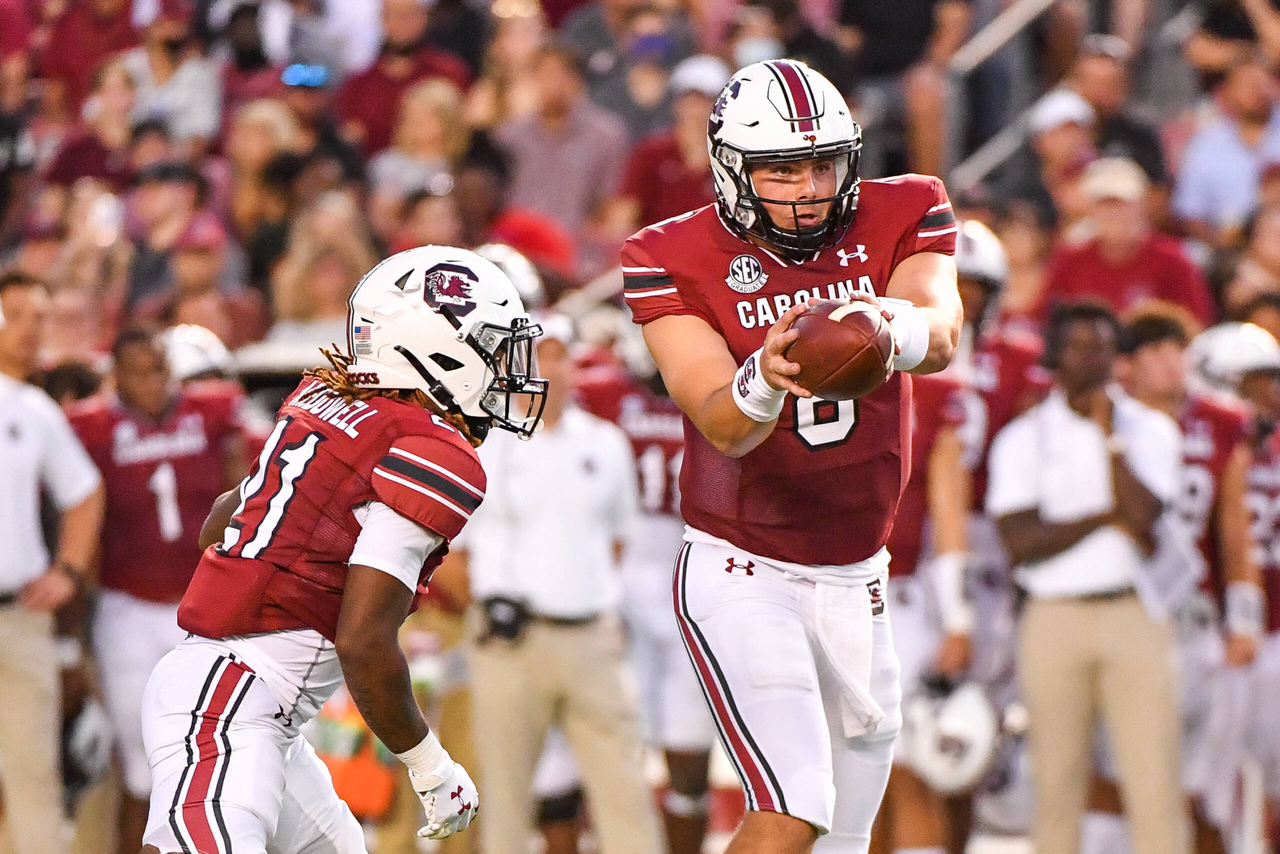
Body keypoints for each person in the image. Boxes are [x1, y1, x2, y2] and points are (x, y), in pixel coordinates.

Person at [625, 58, 962, 854]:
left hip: (860, 572)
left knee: (844, 840)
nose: (810, 187)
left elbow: (941, 332)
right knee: (792, 810)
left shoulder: (907, 207)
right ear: (732, 170)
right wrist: (762, 378)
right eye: (781, 169)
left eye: (823, 163)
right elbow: (721, 422)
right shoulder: (667, 253)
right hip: (745, 566)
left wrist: (882, 325)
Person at [138, 245, 548, 852]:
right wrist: (430, 763)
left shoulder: (335, 404)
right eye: (490, 349)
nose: (501, 370)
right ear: (437, 348)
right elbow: (363, 640)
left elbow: (220, 526)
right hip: (229, 699)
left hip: (255, 705)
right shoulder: (427, 450)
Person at [986, 301, 1188, 854]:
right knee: (1054, 784)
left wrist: (1109, 436)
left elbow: (1144, 517)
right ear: (1054, 356)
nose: (1094, 358)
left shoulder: (1150, 429)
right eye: (1080, 346)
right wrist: (1104, 517)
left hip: (1134, 611)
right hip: (1054, 615)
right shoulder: (1023, 436)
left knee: (1153, 783)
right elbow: (1021, 543)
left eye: (1103, 345)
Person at [458, 314, 662, 854]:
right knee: (504, 802)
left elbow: (619, 538)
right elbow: (455, 553)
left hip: (591, 635)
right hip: (510, 641)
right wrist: (486, 610)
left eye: (558, 355)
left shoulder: (606, 441)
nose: (549, 368)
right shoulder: (484, 448)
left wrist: (584, 590)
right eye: (536, 356)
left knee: (625, 794)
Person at [67, 326, 248, 854]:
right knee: (144, 773)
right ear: (115, 376)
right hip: (127, 610)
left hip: (201, 609)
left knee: (223, 761)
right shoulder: (92, 427)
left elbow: (247, 491)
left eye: (159, 368)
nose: (153, 382)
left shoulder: (214, 414)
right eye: (139, 371)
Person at [576, 322, 718, 854]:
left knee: (688, 751)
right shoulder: (605, 390)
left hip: (692, 577)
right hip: (623, 580)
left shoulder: (714, 387)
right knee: (615, 745)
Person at [0, 271, 104, 854]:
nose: (29, 330)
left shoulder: (36, 408)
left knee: (34, 774)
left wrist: (67, 570)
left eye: (40, 317)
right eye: (16, 314)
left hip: (19, 615)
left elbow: (85, 493)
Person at [1041, 157, 1216, 326]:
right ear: (1090, 209)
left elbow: (1197, 320)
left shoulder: (1172, 259)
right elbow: (1043, 317)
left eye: (1121, 203)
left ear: (1142, 204)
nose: (1113, 213)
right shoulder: (1071, 259)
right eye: (1104, 204)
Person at [1173, 57, 1280, 250]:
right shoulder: (1206, 143)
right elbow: (1189, 211)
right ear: (1229, 91)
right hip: (1223, 246)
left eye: (1261, 84)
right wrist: (1220, 245)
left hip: (1275, 239)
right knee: (1193, 253)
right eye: (1246, 85)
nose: (1255, 92)